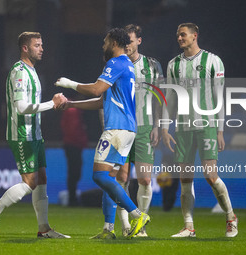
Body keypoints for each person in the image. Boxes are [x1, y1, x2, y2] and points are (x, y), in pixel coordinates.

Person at [55, 28, 150, 240]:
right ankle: (108, 229)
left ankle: (137, 214)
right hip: (127, 129)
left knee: (99, 176)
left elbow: (96, 90)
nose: (103, 45)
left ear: (115, 42)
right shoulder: (127, 66)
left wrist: (70, 84)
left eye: (105, 41)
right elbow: (101, 101)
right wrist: (71, 104)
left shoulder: (115, 63)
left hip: (116, 129)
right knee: (109, 178)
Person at [0, 32, 70, 239]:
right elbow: (21, 108)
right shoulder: (19, 72)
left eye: (42, 44)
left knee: (42, 178)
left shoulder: (33, 71)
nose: (42, 48)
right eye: (37, 45)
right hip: (22, 134)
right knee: (30, 182)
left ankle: (44, 228)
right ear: (25, 48)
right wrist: (52, 104)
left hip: (35, 134)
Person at [161, 23, 238, 238]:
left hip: (207, 126)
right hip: (183, 127)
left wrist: (220, 130)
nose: (179, 38)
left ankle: (231, 217)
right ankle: (189, 226)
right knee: (185, 178)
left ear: (195, 36)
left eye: (183, 35)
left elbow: (219, 97)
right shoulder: (173, 64)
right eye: (177, 35)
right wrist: (165, 128)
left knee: (211, 176)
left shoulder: (213, 61)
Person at [96, 24, 164, 238]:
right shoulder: (115, 64)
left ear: (138, 41)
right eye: (125, 41)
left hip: (143, 127)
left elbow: (160, 98)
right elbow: (104, 97)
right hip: (120, 127)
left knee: (144, 179)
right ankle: (126, 225)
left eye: (131, 41)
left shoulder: (152, 65)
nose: (128, 45)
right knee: (119, 177)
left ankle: (140, 224)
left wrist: (158, 126)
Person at [60, 98, 88, 206]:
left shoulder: (72, 110)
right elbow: (72, 129)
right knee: (74, 172)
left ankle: (72, 197)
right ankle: (72, 199)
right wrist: (80, 141)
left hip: (72, 144)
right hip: (73, 144)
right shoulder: (72, 110)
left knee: (74, 172)